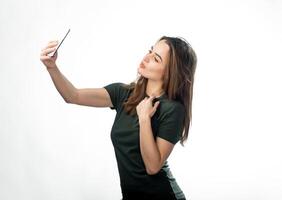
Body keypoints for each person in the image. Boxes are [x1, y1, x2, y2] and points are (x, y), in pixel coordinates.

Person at [40, 36, 197, 200]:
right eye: (150, 51)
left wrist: (144, 119)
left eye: (156, 59)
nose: (146, 58)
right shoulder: (124, 94)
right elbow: (73, 96)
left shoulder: (173, 109)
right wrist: (52, 67)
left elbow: (153, 166)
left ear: (171, 72)